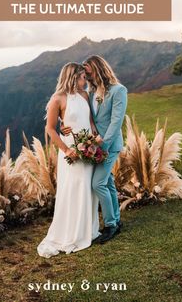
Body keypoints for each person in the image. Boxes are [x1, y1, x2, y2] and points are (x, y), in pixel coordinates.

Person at [37, 62, 101, 258]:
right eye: (82, 77)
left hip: (87, 147)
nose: (85, 81)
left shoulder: (84, 95)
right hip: (70, 150)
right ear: (73, 77)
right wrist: (66, 150)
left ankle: (88, 231)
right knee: (73, 189)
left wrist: (94, 139)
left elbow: (89, 120)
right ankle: (71, 233)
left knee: (88, 188)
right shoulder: (57, 99)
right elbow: (50, 129)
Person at [62, 56, 128, 244]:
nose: (87, 76)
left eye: (88, 72)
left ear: (98, 69)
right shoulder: (90, 92)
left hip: (109, 145)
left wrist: (101, 146)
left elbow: (116, 122)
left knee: (98, 184)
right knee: (108, 183)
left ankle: (110, 226)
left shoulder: (119, 90)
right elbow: (84, 115)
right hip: (93, 145)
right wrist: (63, 126)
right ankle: (116, 220)